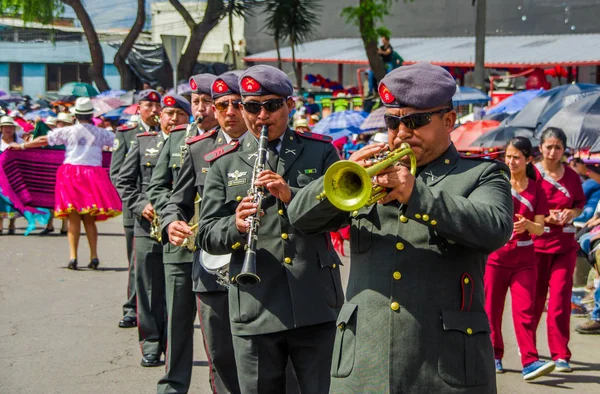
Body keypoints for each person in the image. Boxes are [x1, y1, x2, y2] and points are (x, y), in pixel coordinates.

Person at [287, 62, 514, 393]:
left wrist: (417, 196)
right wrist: (336, 176)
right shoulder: (370, 176)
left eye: (416, 121)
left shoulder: (481, 174)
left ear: (449, 121)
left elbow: (494, 227)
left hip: (446, 368)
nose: (402, 133)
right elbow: (300, 218)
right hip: (364, 362)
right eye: (393, 122)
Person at [197, 65, 343, 394]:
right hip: (255, 303)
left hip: (314, 301)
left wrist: (293, 196)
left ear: (289, 105)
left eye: (272, 106)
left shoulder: (319, 151)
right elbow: (206, 234)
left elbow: (340, 216)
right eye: (252, 106)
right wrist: (235, 225)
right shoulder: (223, 160)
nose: (261, 116)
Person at [161, 72, 246, 394]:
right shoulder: (199, 149)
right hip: (213, 268)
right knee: (222, 356)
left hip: (263, 268)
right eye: (221, 105)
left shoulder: (268, 146)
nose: (229, 112)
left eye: (237, 104)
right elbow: (177, 200)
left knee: (265, 357)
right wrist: (171, 221)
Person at [117, 94, 189, 368]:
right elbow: (124, 180)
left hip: (179, 230)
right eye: (168, 114)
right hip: (148, 227)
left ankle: (172, 348)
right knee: (147, 290)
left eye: (178, 114)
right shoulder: (143, 142)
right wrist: (140, 203)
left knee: (175, 295)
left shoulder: (192, 144)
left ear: (187, 118)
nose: (172, 119)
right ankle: (150, 345)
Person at [11, 98, 122, 268]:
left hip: (71, 174)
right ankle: (94, 255)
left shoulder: (69, 131)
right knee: (89, 220)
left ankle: (73, 257)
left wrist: (22, 147)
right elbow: (119, 143)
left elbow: (43, 140)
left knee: (73, 218)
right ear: (91, 114)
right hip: (93, 174)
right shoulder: (101, 133)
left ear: (76, 115)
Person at [484, 137, 554, 380]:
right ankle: (493, 355)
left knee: (525, 311)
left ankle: (530, 361)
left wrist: (527, 224)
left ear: (528, 160)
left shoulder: (538, 189)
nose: (511, 161)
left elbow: (541, 229)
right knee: (492, 310)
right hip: (496, 257)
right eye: (508, 157)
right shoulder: (497, 183)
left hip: (525, 260)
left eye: (516, 157)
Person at [144, 87, 198, 392]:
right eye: (198, 102)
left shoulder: (241, 142)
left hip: (222, 245)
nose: (203, 108)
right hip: (178, 243)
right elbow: (159, 185)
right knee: (177, 321)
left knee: (222, 331)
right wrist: (169, 219)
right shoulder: (178, 138)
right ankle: (173, 386)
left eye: (209, 102)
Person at [532, 127, 585, 373]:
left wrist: (570, 213)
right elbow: (520, 204)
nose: (553, 152)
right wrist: (545, 217)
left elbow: (579, 205)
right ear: (541, 147)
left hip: (565, 246)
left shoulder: (573, 176)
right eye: (549, 147)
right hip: (536, 247)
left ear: (564, 150)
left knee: (560, 302)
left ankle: (561, 354)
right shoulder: (531, 173)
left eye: (558, 148)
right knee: (533, 301)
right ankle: (529, 354)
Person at [110, 89, 162, 329]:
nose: (153, 111)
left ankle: (155, 309)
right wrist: (138, 203)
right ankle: (132, 308)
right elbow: (118, 174)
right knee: (136, 263)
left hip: (163, 211)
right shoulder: (128, 134)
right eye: (148, 106)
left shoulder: (168, 134)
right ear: (138, 108)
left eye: (156, 106)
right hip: (136, 212)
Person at [0, 116, 24, 235]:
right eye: (5, 127)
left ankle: (12, 223)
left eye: (10, 127)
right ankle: (0, 225)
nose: (7, 129)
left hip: (14, 175)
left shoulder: (19, 142)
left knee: (13, 199)